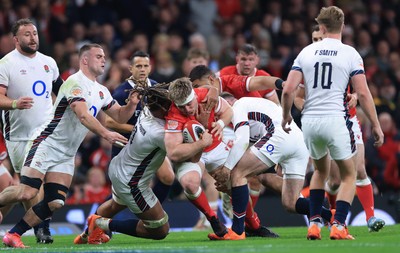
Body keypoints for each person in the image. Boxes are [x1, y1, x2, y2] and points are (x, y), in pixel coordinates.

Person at [0, 43, 139, 248]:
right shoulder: (74, 83)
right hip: (46, 144)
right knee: (28, 192)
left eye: (104, 56)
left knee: (56, 202)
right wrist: (106, 133)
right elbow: (83, 115)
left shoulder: (101, 90)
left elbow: (119, 114)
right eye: (98, 56)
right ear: (85, 60)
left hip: (66, 153)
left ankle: (13, 234)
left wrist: (132, 104)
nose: (103, 60)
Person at [281, 6, 384, 240]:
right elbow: (364, 94)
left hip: (310, 122)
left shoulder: (306, 52)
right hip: (336, 120)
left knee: (319, 171)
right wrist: (376, 125)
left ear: (322, 27)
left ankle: (315, 223)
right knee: (349, 175)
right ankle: (338, 225)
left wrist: (286, 115)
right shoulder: (350, 53)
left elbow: (288, 89)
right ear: (343, 27)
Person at [73, 51, 175, 244]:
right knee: (139, 207)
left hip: (145, 147)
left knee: (120, 201)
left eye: (145, 66)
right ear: (131, 69)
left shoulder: (155, 89)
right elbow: (110, 122)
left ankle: (89, 232)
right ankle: (149, 215)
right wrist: (140, 129)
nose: (142, 69)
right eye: (138, 66)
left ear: (150, 67)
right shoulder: (122, 91)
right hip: (127, 147)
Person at [207, 93, 332, 240]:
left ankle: (237, 231)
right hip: (297, 141)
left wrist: (227, 170)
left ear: (230, 101)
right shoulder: (250, 116)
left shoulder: (238, 105)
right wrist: (228, 179)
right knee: (290, 203)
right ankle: (329, 214)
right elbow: (251, 157)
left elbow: (242, 142)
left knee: (237, 173)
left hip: (279, 135)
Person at [0, 18, 64, 244]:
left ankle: (41, 229)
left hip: (45, 132)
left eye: (35, 33)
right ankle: (40, 228)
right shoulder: (6, 64)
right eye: (27, 34)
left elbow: (61, 91)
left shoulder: (49, 62)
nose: (33, 37)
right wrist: (15, 103)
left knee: (42, 183)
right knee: (29, 188)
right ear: (16, 39)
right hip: (19, 134)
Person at [216, 43, 279, 212]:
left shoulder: (263, 77)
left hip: (256, 132)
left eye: (250, 59)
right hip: (229, 128)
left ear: (257, 60)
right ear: (237, 58)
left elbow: (277, 107)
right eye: (243, 59)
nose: (247, 63)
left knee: (255, 178)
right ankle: (232, 197)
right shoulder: (224, 74)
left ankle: (247, 216)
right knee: (233, 170)